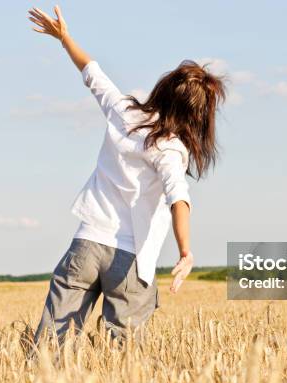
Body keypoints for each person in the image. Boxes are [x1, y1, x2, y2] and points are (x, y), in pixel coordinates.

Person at [28, 5, 226, 345]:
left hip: (87, 245)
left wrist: (64, 38)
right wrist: (186, 251)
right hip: (131, 259)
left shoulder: (124, 113)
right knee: (123, 357)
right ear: (198, 116)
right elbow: (178, 197)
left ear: (163, 90)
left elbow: (93, 74)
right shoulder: (172, 149)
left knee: (49, 349)